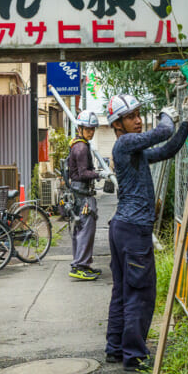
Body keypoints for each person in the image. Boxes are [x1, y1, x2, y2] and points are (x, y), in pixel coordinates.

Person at [103, 93, 188, 371]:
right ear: (117, 124)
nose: (138, 120)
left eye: (139, 114)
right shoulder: (126, 143)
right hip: (133, 229)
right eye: (131, 117)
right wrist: (169, 114)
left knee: (122, 290)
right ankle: (135, 355)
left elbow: (167, 149)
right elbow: (163, 132)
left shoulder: (134, 152)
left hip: (123, 227)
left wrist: (187, 122)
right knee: (139, 293)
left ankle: (116, 348)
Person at [66, 110, 103, 281]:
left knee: (81, 228)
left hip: (77, 193)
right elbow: (82, 173)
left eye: (93, 129)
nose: (91, 132)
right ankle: (80, 265)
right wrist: (99, 174)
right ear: (80, 128)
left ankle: (83, 264)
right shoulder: (81, 147)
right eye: (88, 129)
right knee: (86, 229)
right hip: (82, 194)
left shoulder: (77, 144)